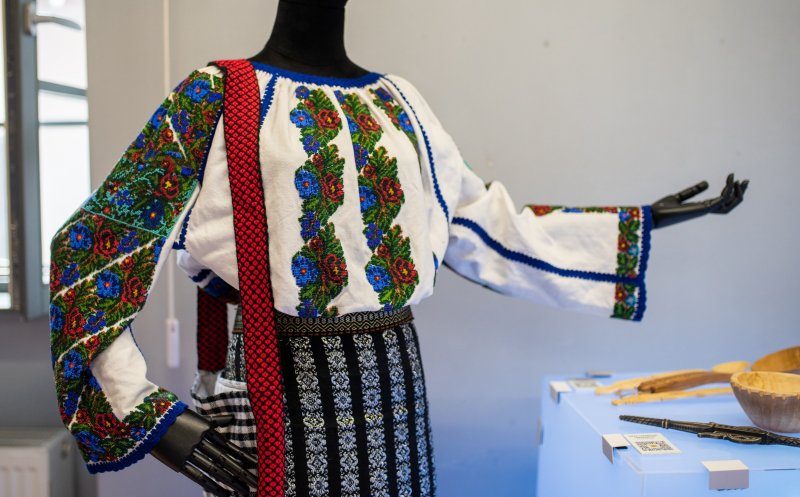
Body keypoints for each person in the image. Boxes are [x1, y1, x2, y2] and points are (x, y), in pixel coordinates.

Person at [48, 0, 747, 496]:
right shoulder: (215, 96)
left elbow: (479, 220)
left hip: (395, 390)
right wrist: (156, 420)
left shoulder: (397, 102)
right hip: (277, 383)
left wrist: (638, 222)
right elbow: (94, 247)